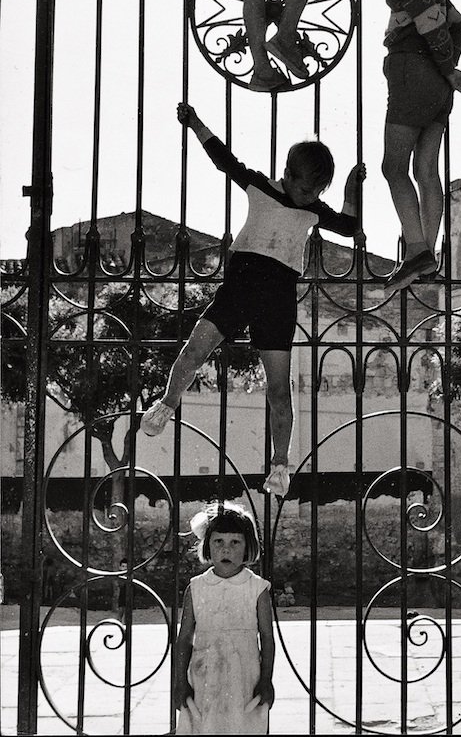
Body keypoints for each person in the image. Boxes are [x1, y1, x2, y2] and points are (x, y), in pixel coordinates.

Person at [141, 103, 365, 497]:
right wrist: (196, 122)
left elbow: (348, 225)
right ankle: (166, 403)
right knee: (193, 352)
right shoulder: (261, 187)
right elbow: (224, 159)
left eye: (315, 193)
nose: (307, 197)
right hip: (239, 289)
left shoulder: (313, 209)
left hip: (278, 300)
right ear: (287, 175)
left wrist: (351, 184)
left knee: (279, 390)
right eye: (303, 188)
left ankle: (280, 467)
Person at [355, 0, 461, 291]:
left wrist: (443, 69)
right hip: (437, 89)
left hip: (413, 75)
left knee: (393, 168)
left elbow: (429, 26)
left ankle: (416, 251)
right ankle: (427, 257)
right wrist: (447, 71)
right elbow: (458, 24)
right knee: (426, 171)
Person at [175, 502, 273, 735]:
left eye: (235, 542)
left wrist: (266, 679)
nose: (226, 550)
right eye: (218, 542)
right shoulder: (197, 588)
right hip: (205, 674)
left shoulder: (257, 589)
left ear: (247, 547)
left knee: (243, 726)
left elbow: (267, 638)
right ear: (208, 545)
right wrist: (179, 681)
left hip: (244, 678)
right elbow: (185, 637)